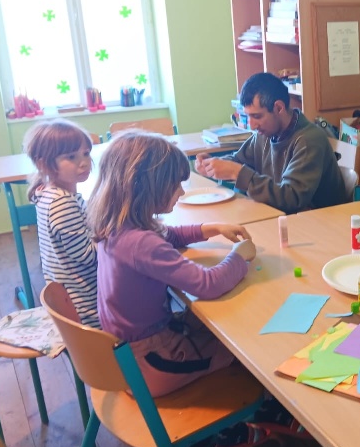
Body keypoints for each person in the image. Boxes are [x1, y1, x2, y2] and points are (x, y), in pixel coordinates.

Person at [87, 131, 256, 397]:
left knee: (217, 325)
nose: (181, 191)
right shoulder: (141, 243)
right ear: (148, 187)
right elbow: (208, 284)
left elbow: (168, 235)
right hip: (154, 363)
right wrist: (239, 256)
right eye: (175, 184)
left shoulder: (117, 226)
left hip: (130, 353)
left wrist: (209, 228)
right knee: (247, 349)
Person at [195, 72, 348, 213]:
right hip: (280, 217)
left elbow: (291, 198)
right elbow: (238, 160)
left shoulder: (309, 140)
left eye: (257, 116)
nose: (252, 125)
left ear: (279, 108)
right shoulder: (265, 133)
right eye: (248, 116)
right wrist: (213, 164)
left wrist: (236, 172)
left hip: (317, 223)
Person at [24, 119, 99, 328]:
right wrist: (114, 235)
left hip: (72, 301)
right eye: (71, 157)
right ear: (43, 164)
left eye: (86, 153)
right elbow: (88, 256)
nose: (83, 162)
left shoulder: (48, 192)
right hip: (88, 309)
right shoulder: (62, 203)